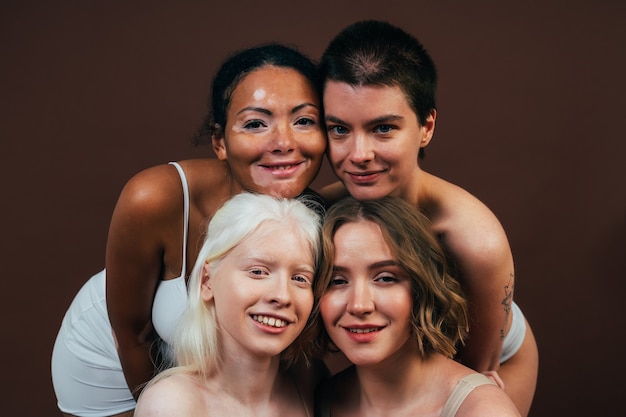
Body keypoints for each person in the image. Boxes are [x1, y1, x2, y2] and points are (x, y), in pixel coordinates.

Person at [51, 42, 327, 417]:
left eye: (304, 121)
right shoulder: (156, 198)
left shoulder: (317, 215)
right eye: (255, 124)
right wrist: (163, 405)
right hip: (118, 360)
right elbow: (132, 336)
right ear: (220, 142)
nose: (284, 143)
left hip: (221, 367)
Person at [317, 20, 538, 416]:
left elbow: (473, 372)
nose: (359, 153)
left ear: (426, 127)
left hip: (489, 356)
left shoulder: (474, 238)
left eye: (383, 128)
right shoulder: (322, 213)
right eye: (339, 129)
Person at [312, 196, 521, 417]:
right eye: (337, 281)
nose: (359, 305)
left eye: (385, 278)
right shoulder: (316, 400)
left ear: (422, 287)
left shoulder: (483, 411)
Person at [134, 192, 324, 417]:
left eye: (300, 278)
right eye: (257, 272)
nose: (283, 296)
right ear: (207, 281)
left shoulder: (310, 384)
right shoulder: (171, 404)